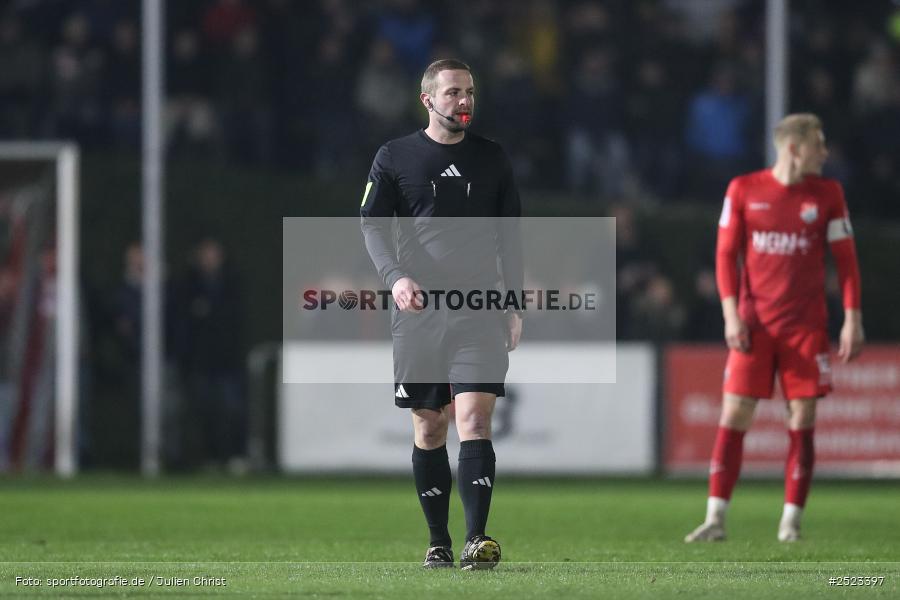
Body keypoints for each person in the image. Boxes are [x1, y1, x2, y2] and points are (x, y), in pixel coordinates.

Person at [360, 59, 523, 569]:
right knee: (430, 428)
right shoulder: (395, 156)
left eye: (470, 92)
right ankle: (439, 542)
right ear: (427, 99)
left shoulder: (493, 158)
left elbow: (511, 236)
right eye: (453, 92)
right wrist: (396, 279)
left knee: (474, 419)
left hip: (479, 310)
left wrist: (513, 301)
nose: (465, 101)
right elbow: (371, 226)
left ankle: (478, 540)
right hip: (420, 314)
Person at [684, 113, 863, 543]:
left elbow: (847, 260)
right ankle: (715, 518)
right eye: (818, 144)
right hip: (754, 324)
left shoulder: (828, 194)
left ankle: (790, 524)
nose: (824, 152)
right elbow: (726, 255)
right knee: (735, 412)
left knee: (802, 417)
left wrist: (853, 317)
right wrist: (731, 314)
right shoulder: (743, 190)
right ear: (794, 148)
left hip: (806, 328)